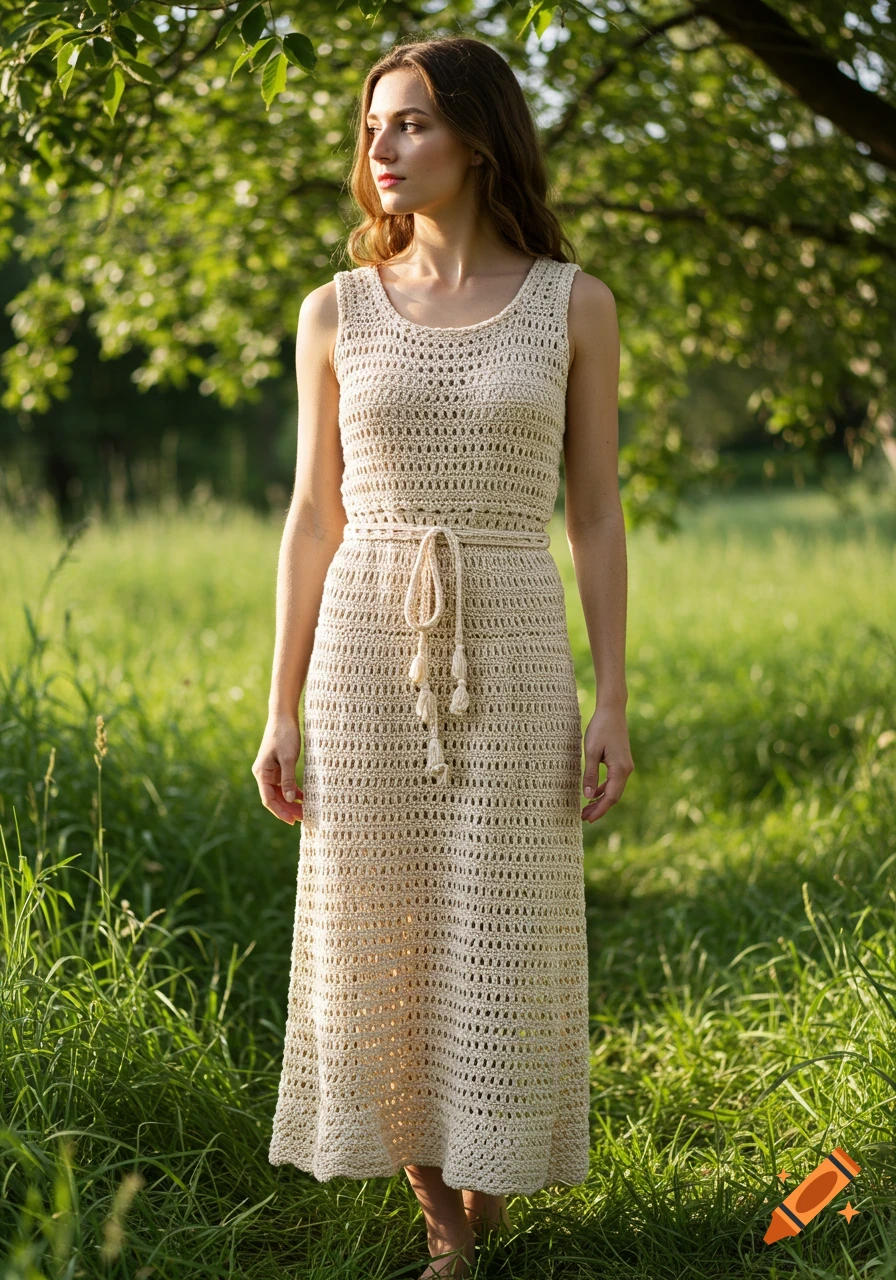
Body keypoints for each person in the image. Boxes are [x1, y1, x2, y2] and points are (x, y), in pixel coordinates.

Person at [253, 33, 633, 1280]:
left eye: (408, 124)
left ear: (476, 137)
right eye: (371, 129)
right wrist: (279, 707)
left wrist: (614, 695)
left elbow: (592, 511)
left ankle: (492, 1167)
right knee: (383, 924)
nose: (381, 149)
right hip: (366, 645)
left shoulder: (572, 302)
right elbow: (313, 515)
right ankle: (445, 1222)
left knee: (502, 922)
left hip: (515, 637)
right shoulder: (333, 310)